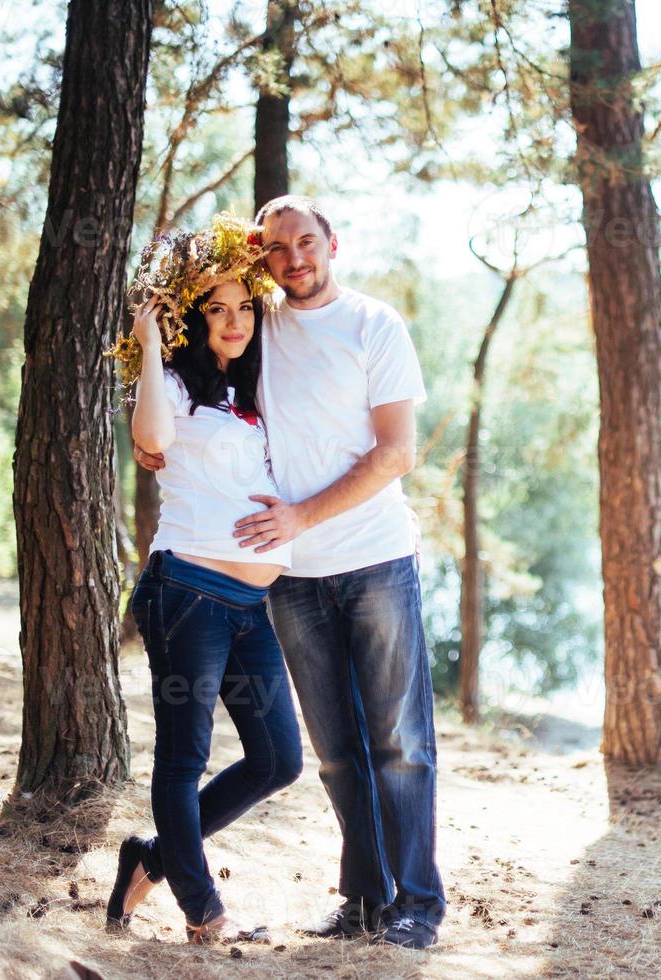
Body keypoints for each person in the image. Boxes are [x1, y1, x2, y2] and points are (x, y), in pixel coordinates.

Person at [134, 195, 446, 950]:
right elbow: (199, 347)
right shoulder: (259, 325)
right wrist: (155, 430)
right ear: (260, 255)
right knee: (337, 751)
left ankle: (418, 904)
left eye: (308, 242)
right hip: (291, 581)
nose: (296, 258)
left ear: (333, 243)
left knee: (399, 741)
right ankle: (366, 900)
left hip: (374, 559)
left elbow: (398, 451)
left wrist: (302, 516)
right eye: (278, 248)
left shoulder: (375, 325)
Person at [106, 216, 303, 944]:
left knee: (278, 758)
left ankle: (149, 861)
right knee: (184, 755)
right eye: (216, 309)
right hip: (187, 592)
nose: (233, 321)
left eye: (244, 307)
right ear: (193, 317)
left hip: (251, 606)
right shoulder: (180, 387)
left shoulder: (256, 397)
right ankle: (201, 908)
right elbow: (153, 439)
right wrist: (153, 341)